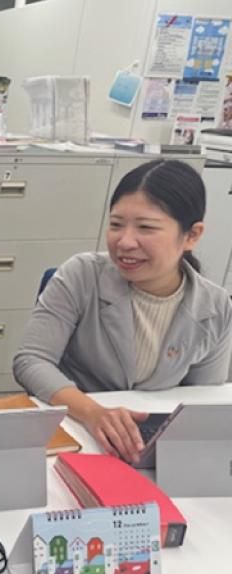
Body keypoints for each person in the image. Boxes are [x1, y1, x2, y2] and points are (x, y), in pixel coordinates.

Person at [13, 159, 232, 463]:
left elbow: (202, 400)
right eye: (116, 225)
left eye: (146, 228)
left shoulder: (216, 307)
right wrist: (93, 413)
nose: (125, 242)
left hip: (149, 446)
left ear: (192, 235)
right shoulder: (82, 275)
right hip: (75, 431)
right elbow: (31, 360)